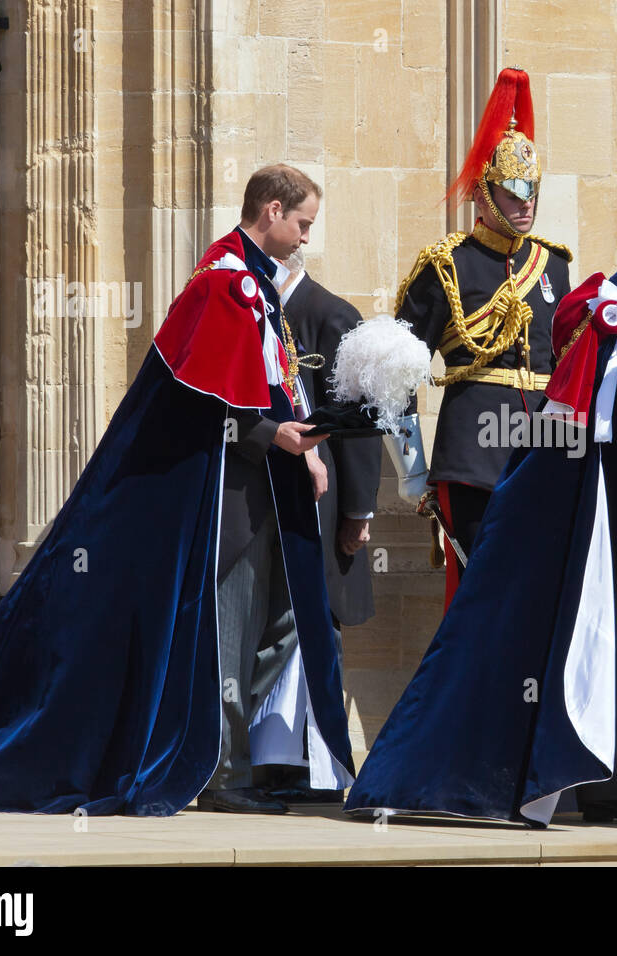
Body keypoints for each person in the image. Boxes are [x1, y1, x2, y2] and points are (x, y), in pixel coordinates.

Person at [0, 164, 357, 815]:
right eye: (302, 224)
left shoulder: (257, 287)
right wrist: (277, 439)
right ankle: (222, 770)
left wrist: (303, 451)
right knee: (227, 630)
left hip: (265, 489)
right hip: (222, 498)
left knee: (271, 622)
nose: (305, 238)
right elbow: (206, 401)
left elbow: (267, 383)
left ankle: (229, 759)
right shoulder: (224, 286)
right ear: (270, 210)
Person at [345, 205, 617, 827]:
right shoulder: (602, 307)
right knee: (555, 628)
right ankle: (568, 780)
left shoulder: (606, 300)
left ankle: (614, 784)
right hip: (577, 499)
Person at [393, 67, 572, 609]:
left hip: (543, 451)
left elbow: (568, 367)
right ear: (484, 193)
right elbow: (395, 372)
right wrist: (411, 468)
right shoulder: (446, 265)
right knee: (474, 601)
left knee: (538, 599)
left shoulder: (554, 266)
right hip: (472, 455)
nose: (525, 202)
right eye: (513, 190)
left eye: (532, 189)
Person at [248, 246, 384, 805]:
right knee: (273, 626)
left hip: (319, 500)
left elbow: (359, 424)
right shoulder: (255, 315)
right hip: (262, 501)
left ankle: (309, 762)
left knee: (311, 625)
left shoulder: (333, 316)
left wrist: (358, 510)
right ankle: (268, 757)